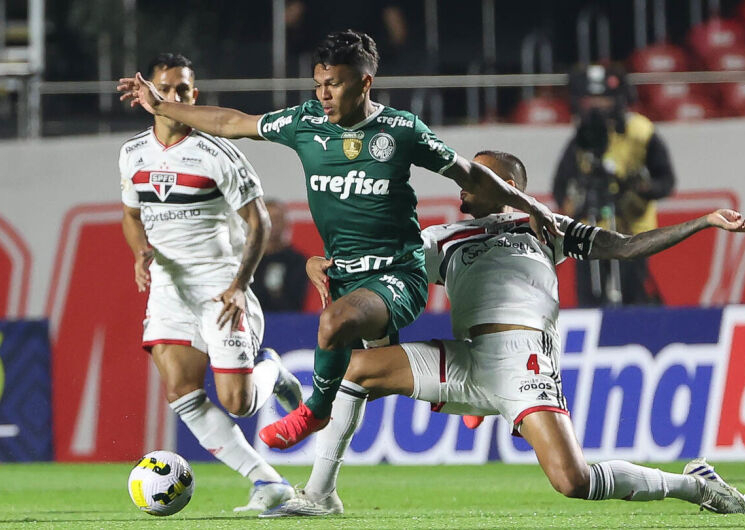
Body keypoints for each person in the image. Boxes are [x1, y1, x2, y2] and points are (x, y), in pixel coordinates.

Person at [117, 30, 562, 450]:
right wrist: (162, 106)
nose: (323, 95)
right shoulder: (305, 122)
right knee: (378, 376)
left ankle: (315, 410)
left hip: (398, 275)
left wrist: (533, 205)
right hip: (344, 275)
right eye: (318, 84)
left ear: (364, 82)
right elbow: (231, 121)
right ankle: (473, 401)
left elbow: (471, 175)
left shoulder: (402, 131)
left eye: (334, 84)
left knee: (332, 325)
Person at [269, 150, 745, 517]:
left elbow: (625, 247)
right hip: (467, 358)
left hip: (524, 360)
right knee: (356, 370)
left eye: (476, 176)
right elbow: (380, 266)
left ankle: (694, 485)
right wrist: (324, 262)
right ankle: (320, 494)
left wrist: (705, 222)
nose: (463, 182)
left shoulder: (544, 227)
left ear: (507, 185)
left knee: (572, 480)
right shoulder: (442, 237)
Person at [118, 53, 303, 512]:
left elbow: (257, 223)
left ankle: (272, 370)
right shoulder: (132, 153)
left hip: (222, 286)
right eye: (166, 88)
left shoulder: (215, 152)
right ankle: (268, 483)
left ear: (193, 96)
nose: (174, 97)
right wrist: (141, 251)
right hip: (169, 288)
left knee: (238, 403)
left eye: (183, 90)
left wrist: (241, 283)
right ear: (149, 93)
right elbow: (130, 214)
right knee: (181, 392)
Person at [552, 64, 676, 306]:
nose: (597, 107)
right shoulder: (582, 136)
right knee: (589, 300)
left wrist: (641, 188)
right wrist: (570, 203)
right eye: (591, 100)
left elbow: (666, 181)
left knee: (634, 299)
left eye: (604, 99)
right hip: (588, 231)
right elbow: (560, 184)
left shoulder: (641, 131)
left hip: (632, 230)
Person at [250, 200, 308, 312]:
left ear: (286, 223)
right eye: (268, 219)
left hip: (284, 323)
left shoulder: (297, 260)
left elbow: (295, 303)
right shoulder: (245, 260)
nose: (272, 224)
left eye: (276, 219)